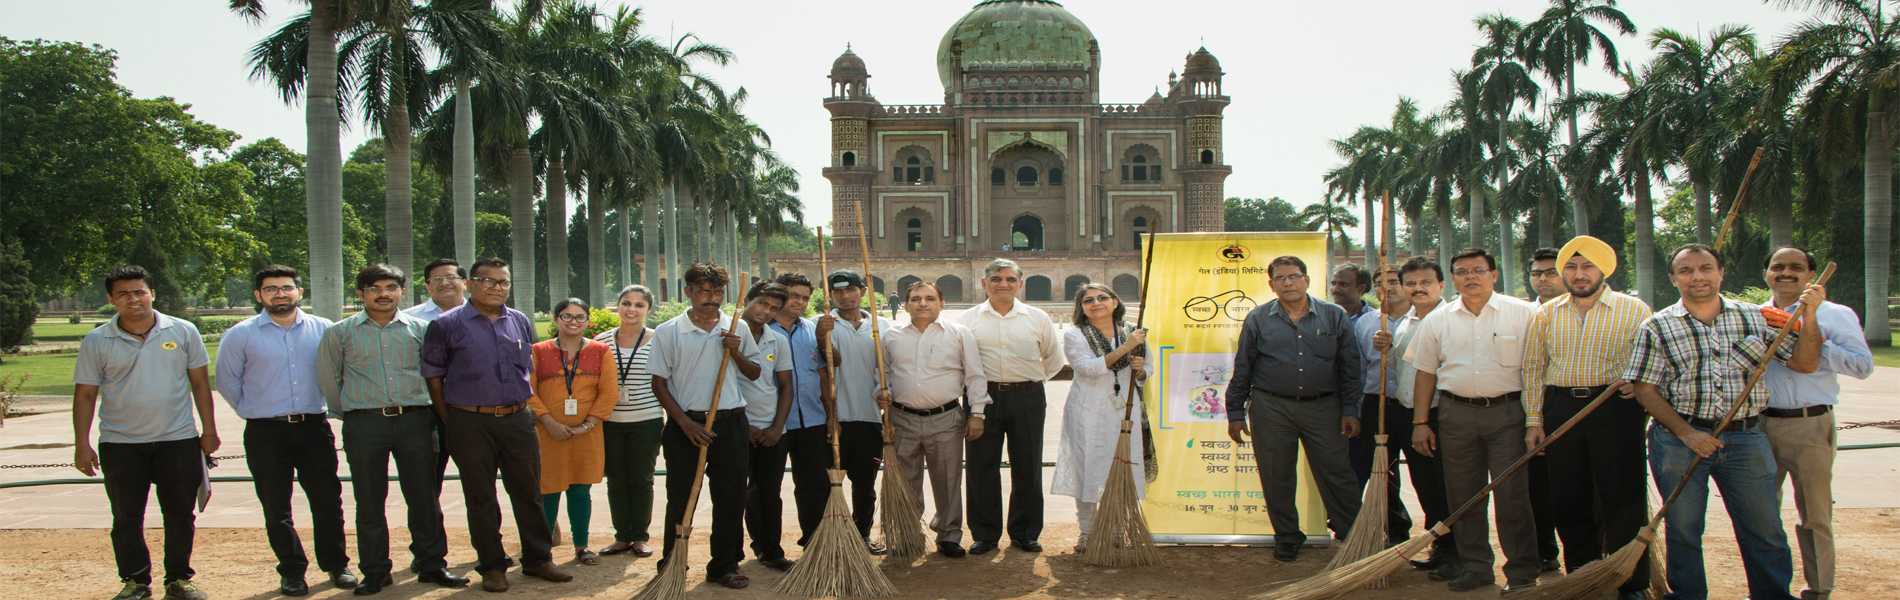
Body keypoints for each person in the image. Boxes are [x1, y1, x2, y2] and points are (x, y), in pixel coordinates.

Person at [1625, 243, 1824, 600]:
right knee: (1684, 530)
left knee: (1763, 529)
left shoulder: (1756, 318)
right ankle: (1688, 595)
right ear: (1673, 278)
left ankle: (1772, 595)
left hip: (1747, 438)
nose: (1696, 277)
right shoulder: (1656, 327)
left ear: (1721, 273)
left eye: (1705, 268)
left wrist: (1810, 316)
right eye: (1685, 271)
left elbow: (1805, 362)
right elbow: (1645, 389)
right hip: (1678, 441)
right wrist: (1687, 434)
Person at [420, 257, 572, 592]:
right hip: (469, 421)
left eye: (503, 282)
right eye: (488, 281)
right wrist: (452, 420)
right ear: (471, 283)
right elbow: (434, 377)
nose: (496, 288)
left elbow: (527, 367)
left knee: (529, 491)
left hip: (517, 418)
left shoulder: (518, 320)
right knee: (481, 497)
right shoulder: (446, 325)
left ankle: (538, 559)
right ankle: (492, 565)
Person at [317, 265, 467, 595]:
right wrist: (352, 411)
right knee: (369, 500)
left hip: (416, 420)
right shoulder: (341, 333)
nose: (383, 294)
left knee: (424, 497)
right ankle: (375, 571)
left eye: (390, 287)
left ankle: (431, 564)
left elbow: (437, 374)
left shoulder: (423, 329)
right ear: (361, 294)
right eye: (374, 288)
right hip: (364, 424)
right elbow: (330, 380)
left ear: (402, 291)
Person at [1518, 237, 1654, 599]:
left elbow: (1652, 360)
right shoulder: (1546, 313)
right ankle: (1583, 573)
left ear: (1604, 269)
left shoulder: (1635, 309)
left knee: (1623, 496)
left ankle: (1632, 582)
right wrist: (1534, 421)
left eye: (1587, 266)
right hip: (1561, 407)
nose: (1579, 275)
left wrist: (1636, 382)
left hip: (1614, 408)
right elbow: (1533, 369)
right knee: (1567, 495)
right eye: (1572, 267)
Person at [73, 266, 219, 600]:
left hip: (178, 439)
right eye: (123, 293)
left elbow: (199, 383)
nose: (133, 299)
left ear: (152, 293)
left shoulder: (183, 331)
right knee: (126, 516)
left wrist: (209, 430)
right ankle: (136, 581)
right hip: (121, 443)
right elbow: (85, 394)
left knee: (181, 513)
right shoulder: (97, 340)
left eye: (139, 291)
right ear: (111, 299)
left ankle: (179, 579)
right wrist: (81, 443)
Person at [1406, 247, 1541, 593]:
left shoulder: (1524, 314)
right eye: (1462, 272)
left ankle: (1522, 572)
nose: (1470, 277)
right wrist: (1420, 423)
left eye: (1478, 270)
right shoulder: (1438, 319)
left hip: (1509, 414)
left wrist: (1534, 421)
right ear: (1452, 279)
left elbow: (1539, 369)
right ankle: (1476, 566)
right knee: (1464, 495)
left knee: (1512, 495)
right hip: (1456, 415)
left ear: (1493, 275)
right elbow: (1425, 374)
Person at [215, 265, 355, 596]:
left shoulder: (324, 329)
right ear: (258, 295)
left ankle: (337, 565)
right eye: (271, 288)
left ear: (299, 292)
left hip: (313, 427)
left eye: (286, 287)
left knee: (327, 500)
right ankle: (292, 570)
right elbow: (227, 381)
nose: (280, 293)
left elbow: (340, 372)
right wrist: (255, 410)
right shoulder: (241, 334)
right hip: (266, 432)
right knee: (276, 505)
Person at [1226, 255, 1364, 563]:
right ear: (1271, 284)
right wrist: (1235, 412)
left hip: (1324, 407)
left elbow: (1350, 366)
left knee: (1337, 474)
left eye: (1294, 276)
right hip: (1271, 406)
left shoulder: (1334, 316)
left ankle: (1354, 534)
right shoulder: (1258, 318)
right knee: (1277, 475)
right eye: (1281, 278)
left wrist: (1351, 408)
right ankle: (1287, 536)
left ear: (1307, 280)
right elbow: (1243, 366)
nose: (1288, 282)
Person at [1761, 247, 1874, 600]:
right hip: (1759, 426)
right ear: (1766, 274)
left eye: (1796, 267)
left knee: (1815, 515)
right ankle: (1769, 588)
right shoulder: (1754, 315)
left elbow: (1862, 366)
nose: (1786, 273)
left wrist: (1809, 340)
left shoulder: (1834, 315)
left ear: (1810, 274)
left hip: (1810, 425)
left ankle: (1819, 589)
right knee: (1761, 516)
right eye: (1778, 267)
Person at [648, 263, 762, 589]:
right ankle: (673, 562)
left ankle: (724, 565)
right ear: (689, 292)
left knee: (731, 497)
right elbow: (659, 383)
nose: (710, 298)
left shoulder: (735, 327)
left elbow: (754, 373)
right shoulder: (670, 331)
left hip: (731, 422)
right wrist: (684, 423)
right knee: (681, 497)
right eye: (703, 291)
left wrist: (736, 352)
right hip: (687, 424)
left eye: (716, 292)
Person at [955, 258, 1064, 554]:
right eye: (996, 279)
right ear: (984, 283)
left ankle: (1025, 532)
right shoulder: (968, 320)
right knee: (980, 465)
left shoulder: (1037, 317)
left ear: (1020, 283)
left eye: (1009, 279)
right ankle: (985, 534)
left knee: (1028, 464)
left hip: (1027, 396)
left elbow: (1053, 360)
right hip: (982, 398)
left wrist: (1029, 381)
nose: (1003, 284)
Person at [879, 281, 990, 558]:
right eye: (916, 299)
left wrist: (977, 413)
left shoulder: (958, 334)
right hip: (902, 417)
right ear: (905, 305)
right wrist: (881, 393)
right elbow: (882, 375)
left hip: (946, 416)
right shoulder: (892, 336)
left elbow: (974, 375)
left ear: (942, 303)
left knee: (948, 479)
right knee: (905, 480)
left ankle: (949, 535)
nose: (923, 303)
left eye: (930, 298)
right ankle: (908, 532)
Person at [1054, 283, 1147, 553]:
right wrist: (1126, 349)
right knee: (1086, 469)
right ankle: (1087, 531)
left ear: (1115, 302)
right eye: (1088, 300)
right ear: (1081, 308)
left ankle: (1115, 528)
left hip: (1124, 411)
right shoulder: (1076, 335)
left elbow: (1147, 369)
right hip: (1088, 410)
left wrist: (1141, 370)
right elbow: (1088, 368)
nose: (1096, 303)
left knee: (1120, 469)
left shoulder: (1133, 333)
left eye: (1102, 297)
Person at [1384, 257, 1459, 575]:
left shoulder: (1452, 320)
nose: (1418, 288)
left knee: (1445, 487)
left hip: (1437, 415)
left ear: (1441, 285)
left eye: (1425, 282)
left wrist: (1423, 421)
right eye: (1411, 283)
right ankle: (1441, 547)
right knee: (1425, 486)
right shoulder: (1406, 321)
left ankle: (1455, 552)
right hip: (1407, 413)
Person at [528, 298, 618, 566]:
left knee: (580, 490)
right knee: (548, 491)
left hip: (587, 434)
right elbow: (528, 391)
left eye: (579, 317)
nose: (573, 322)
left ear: (588, 321)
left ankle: (582, 546)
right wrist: (549, 422)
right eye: (566, 316)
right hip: (548, 434)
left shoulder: (601, 351)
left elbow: (609, 393)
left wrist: (588, 424)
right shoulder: (538, 351)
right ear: (556, 320)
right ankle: (543, 551)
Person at [816, 269, 890, 554]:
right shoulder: (822, 324)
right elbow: (826, 368)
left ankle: (861, 537)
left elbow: (888, 371)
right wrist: (824, 337)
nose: (845, 297)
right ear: (831, 295)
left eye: (851, 290)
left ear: (862, 290)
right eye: (838, 292)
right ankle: (831, 539)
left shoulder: (880, 326)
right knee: (829, 486)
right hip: (835, 420)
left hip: (869, 418)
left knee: (865, 486)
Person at [594, 285, 662, 558]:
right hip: (610, 421)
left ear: (648, 310)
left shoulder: (658, 340)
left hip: (646, 420)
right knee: (616, 479)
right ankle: (622, 536)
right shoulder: (601, 342)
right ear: (618, 306)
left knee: (642, 479)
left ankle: (640, 537)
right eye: (626, 303)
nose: (631, 309)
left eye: (638, 305)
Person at [769, 273, 835, 548]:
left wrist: (832, 417)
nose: (800, 302)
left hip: (813, 419)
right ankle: (768, 548)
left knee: (814, 485)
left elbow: (826, 373)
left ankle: (815, 538)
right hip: (772, 424)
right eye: (794, 295)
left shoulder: (811, 329)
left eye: (805, 298)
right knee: (766, 488)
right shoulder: (761, 330)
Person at [1348, 264, 1413, 547]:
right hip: (1375, 402)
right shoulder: (1366, 323)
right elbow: (1358, 371)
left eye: (1394, 281)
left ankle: (1437, 539)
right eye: (1380, 282)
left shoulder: (1424, 318)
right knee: (1375, 469)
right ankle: (1374, 528)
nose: (1387, 287)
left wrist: (1394, 347)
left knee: (1425, 473)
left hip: (1412, 405)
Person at [738, 282, 797, 571]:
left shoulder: (777, 340)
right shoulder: (727, 335)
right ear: (748, 300)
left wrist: (777, 427)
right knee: (739, 492)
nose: (766, 312)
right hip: (736, 428)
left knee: (769, 491)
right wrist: (743, 426)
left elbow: (786, 387)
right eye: (761, 303)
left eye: (774, 308)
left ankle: (771, 549)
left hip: (772, 428)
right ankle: (736, 551)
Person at [1522, 246, 1566, 572]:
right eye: (1537, 273)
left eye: (1550, 272)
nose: (1542, 279)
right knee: (1537, 485)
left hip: (1576, 408)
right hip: (1533, 411)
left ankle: (1591, 556)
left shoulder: (1587, 311)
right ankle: (1544, 552)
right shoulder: (1522, 314)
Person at [405, 258, 466, 482]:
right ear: (428, 286)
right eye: (437, 279)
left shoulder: (483, 315)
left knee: (480, 478)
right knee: (427, 481)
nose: (445, 283)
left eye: (451, 277)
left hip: (472, 410)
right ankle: (430, 518)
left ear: (465, 282)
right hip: (425, 410)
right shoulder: (410, 319)